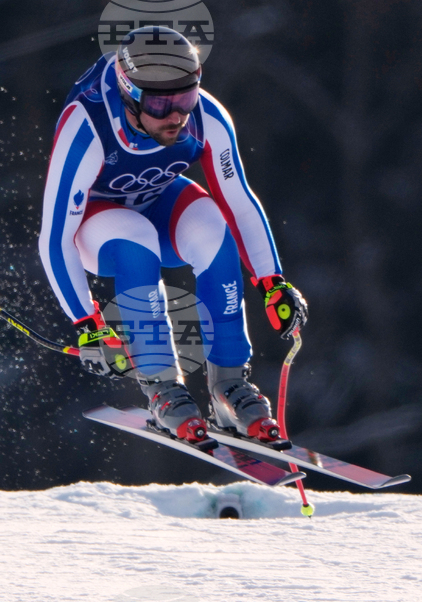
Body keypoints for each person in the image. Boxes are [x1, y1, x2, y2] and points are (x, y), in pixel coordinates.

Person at [39, 26, 307, 445]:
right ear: (129, 94)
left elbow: (239, 201)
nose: (176, 116)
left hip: (158, 200)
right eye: (162, 103)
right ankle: (163, 389)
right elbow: (55, 238)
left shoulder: (207, 117)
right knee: (135, 240)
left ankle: (229, 387)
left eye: (185, 97)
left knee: (213, 228)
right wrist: (88, 323)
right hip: (98, 223)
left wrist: (272, 282)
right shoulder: (87, 126)